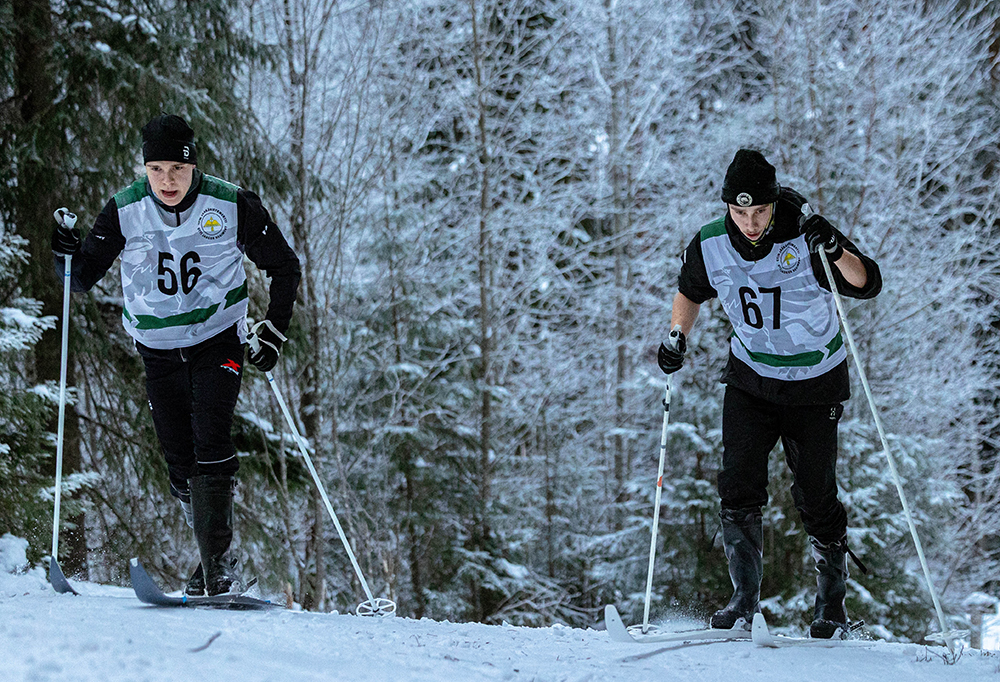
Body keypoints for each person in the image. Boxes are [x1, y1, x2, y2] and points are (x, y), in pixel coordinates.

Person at [50, 113, 301, 596]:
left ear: (193, 165)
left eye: (178, 170)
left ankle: (219, 566)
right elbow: (79, 278)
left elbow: (285, 266)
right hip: (158, 347)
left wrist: (274, 328)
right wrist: (64, 251)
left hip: (216, 338)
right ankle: (212, 557)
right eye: (157, 170)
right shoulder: (124, 210)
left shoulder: (231, 204)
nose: (168, 181)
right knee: (179, 461)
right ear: (145, 168)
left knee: (211, 436)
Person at [657, 149, 881, 638]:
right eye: (740, 212)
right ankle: (743, 600)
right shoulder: (711, 243)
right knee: (737, 480)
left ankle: (831, 605)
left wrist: (837, 247)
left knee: (816, 494)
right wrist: (677, 335)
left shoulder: (806, 236)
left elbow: (867, 284)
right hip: (751, 379)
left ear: (774, 203)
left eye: (760, 211)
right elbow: (690, 292)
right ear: (727, 208)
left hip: (814, 383)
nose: (751, 222)